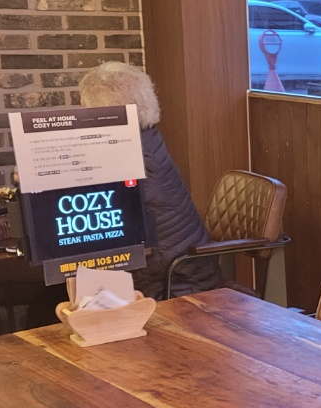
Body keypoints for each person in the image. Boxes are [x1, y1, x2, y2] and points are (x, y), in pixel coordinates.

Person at [77, 62, 223, 300]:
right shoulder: (146, 138)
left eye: (84, 107)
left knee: (52, 301)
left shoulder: (131, 156)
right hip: (177, 268)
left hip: (173, 281)